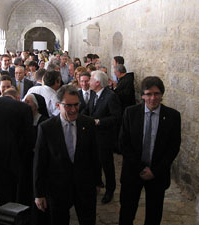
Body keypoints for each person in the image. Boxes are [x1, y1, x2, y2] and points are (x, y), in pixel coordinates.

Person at [119, 76, 181, 225]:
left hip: (157, 174)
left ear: (162, 94)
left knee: (154, 214)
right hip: (133, 171)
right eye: (148, 94)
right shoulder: (130, 113)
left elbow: (173, 147)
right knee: (127, 211)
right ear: (142, 95)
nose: (153, 98)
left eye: (157, 93)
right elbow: (123, 144)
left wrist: (155, 170)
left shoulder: (173, 116)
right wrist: (141, 168)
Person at [34, 85, 99, 225]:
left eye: (76, 105)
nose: (74, 109)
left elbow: (94, 155)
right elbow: (40, 162)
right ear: (58, 105)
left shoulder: (88, 123)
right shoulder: (46, 128)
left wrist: (97, 181)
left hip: (84, 186)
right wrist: (39, 193)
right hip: (58, 189)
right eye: (68, 106)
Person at [84, 70, 121, 204]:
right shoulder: (94, 94)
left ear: (98, 82)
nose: (88, 82)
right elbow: (88, 110)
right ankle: (98, 183)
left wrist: (99, 122)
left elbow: (116, 117)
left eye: (91, 79)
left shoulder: (111, 96)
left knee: (107, 165)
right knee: (95, 162)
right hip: (93, 136)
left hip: (105, 137)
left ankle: (110, 190)